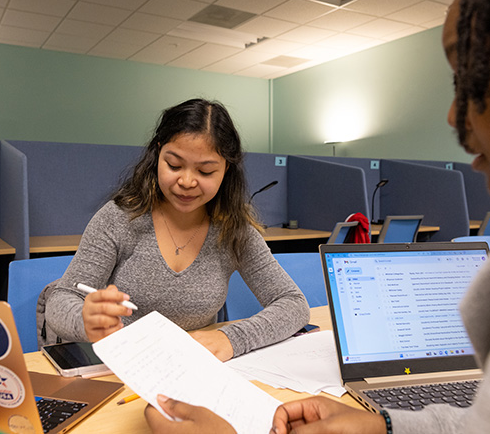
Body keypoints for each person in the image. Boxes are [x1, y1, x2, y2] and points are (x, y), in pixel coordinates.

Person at [144, 0, 490, 431]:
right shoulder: (122, 221)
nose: (454, 115)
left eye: (469, 78)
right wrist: (385, 426)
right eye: (175, 163)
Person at [45, 98, 309, 361]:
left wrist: (231, 338)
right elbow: (60, 302)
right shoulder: (120, 219)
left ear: (226, 169)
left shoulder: (233, 230)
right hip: (125, 367)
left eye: (206, 171)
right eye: (174, 165)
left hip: (192, 370)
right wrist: (87, 320)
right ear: (157, 154)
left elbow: (294, 304)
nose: (186, 181)